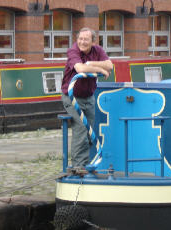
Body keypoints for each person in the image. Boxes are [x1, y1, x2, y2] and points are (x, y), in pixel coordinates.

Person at [61, 27, 113, 168]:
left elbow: (110, 65)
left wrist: (91, 64)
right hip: (71, 97)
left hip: (88, 98)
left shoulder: (98, 51)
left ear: (93, 42)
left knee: (90, 132)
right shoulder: (73, 51)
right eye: (80, 39)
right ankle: (78, 167)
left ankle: (85, 163)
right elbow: (80, 69)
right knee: (81, 128)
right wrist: (100, 70)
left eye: (86, 39)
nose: (82, 42)